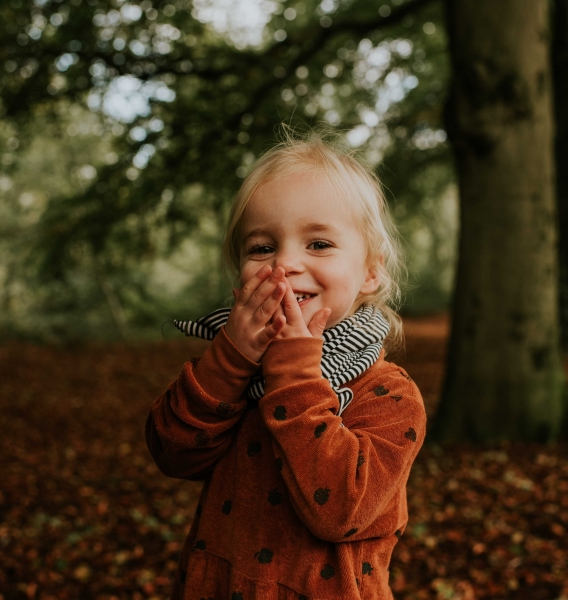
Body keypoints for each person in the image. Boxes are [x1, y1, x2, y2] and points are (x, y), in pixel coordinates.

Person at [145, 128, 426, 599]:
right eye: (262, 248)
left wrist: (294, 375)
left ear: (371, 272)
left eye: (318, 244)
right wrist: (230, 361)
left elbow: (339, 510)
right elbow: (170, 451)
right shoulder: (237, 370)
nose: (284, 265)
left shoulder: (389, 395)